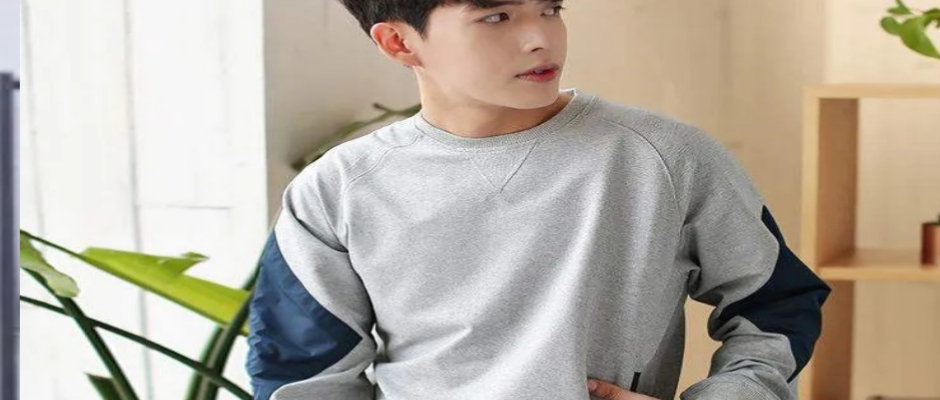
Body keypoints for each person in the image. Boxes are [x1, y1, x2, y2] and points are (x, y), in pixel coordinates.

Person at [245, 1, 832, 399]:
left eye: (551, 8)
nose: (539, 38)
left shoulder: (666, 157)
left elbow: (776, 303)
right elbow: (302, 373)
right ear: (399, 41)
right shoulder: (336, 190)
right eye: (496, 15)